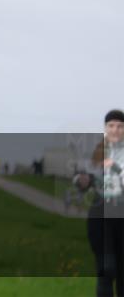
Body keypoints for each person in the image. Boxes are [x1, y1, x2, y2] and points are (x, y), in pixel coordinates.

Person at [73, 109, 124, 297]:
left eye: (120, 126)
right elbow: (80, 176)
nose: (115, 130)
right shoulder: (96, 151)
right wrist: (82, 180)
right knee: (106, 269)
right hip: (101, 215)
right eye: (111, 125)